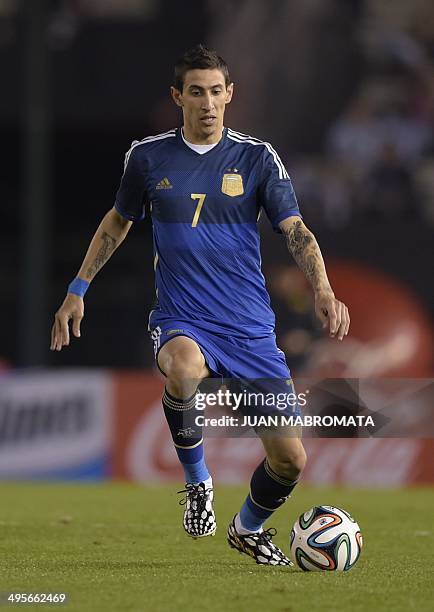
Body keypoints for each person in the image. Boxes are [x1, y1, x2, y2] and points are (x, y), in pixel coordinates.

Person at [51, 44, 350, 566]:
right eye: (196, 92)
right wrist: (78, 289)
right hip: (183, 318)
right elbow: (118, 221)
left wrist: (322, 288)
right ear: (178, 97)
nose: (208, 103)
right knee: (183, 367)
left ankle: (247, 528)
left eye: (216, 91)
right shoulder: (147, 158)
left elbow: (295, 230)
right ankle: (198, 484)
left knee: (290, 459)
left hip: (250, 328)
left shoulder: (258, 158)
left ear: (230, 95)